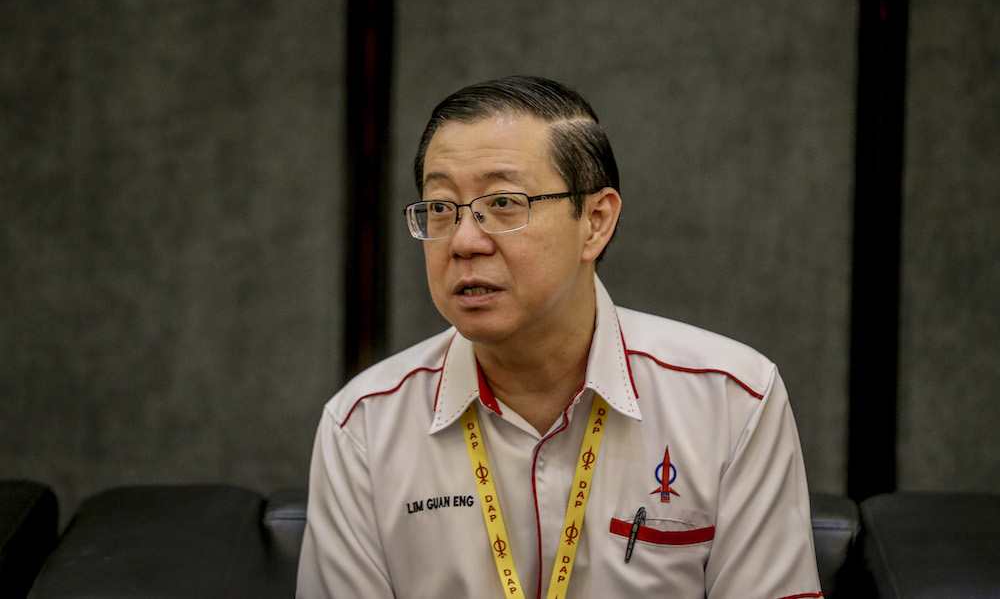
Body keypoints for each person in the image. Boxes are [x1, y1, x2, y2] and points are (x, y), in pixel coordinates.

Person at [297, 76, 822, 598]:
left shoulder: (731, 400)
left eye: (502, 203)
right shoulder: (363, 425)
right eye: (441, 207)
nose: (462, 240)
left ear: (595, 221)